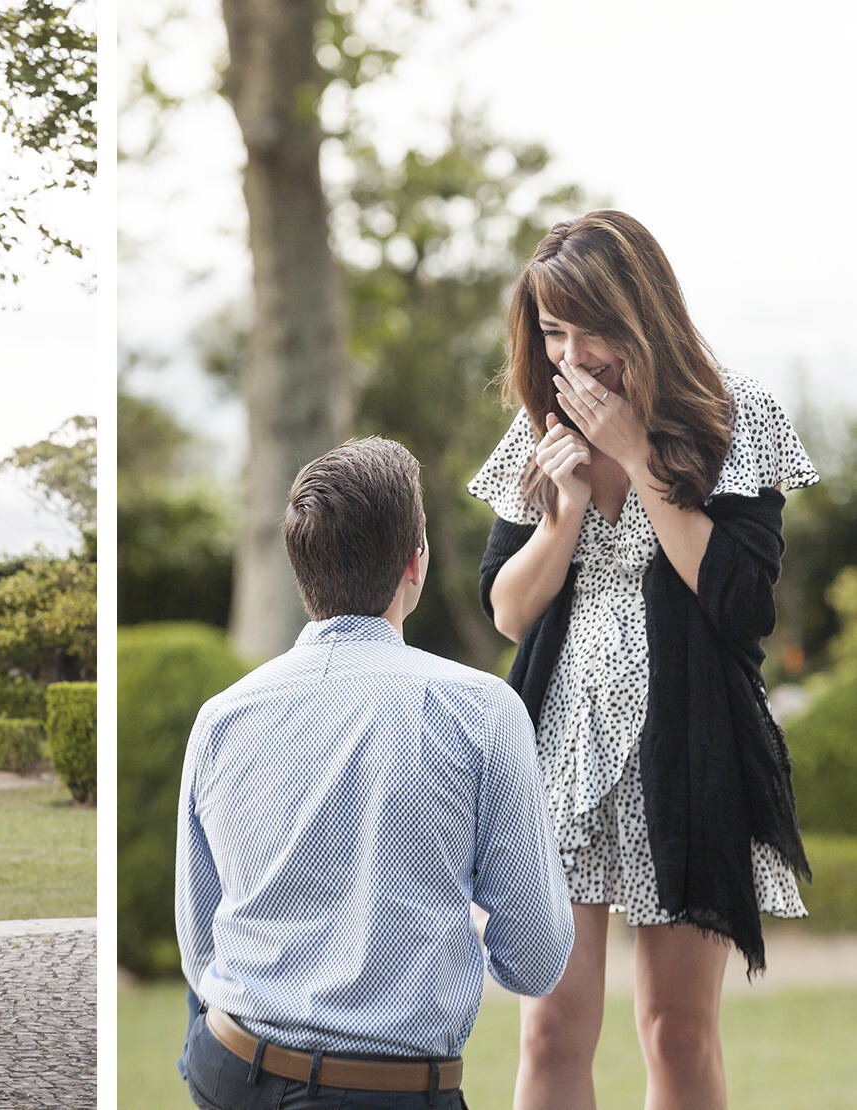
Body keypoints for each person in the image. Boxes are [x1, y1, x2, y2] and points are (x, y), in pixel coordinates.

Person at [469, 210, 816, 1109]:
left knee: (677, 1030)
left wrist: (637, 458)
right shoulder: (537, 428)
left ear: (645, 315)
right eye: (552, 333)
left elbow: (742, 608)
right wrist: (566, 507)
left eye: (595, 331)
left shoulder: (735, 418)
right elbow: (508, 611)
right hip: (559, 751)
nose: (575, 356)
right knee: (548, 1029)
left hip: (693, 745)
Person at [176, 436, 575, 1110]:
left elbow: (200, 945)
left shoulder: (222, 717)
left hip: (228, 1069)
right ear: (414, 565)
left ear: (301, 568)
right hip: (386, 1094)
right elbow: (534, 959)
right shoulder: (482, 712)